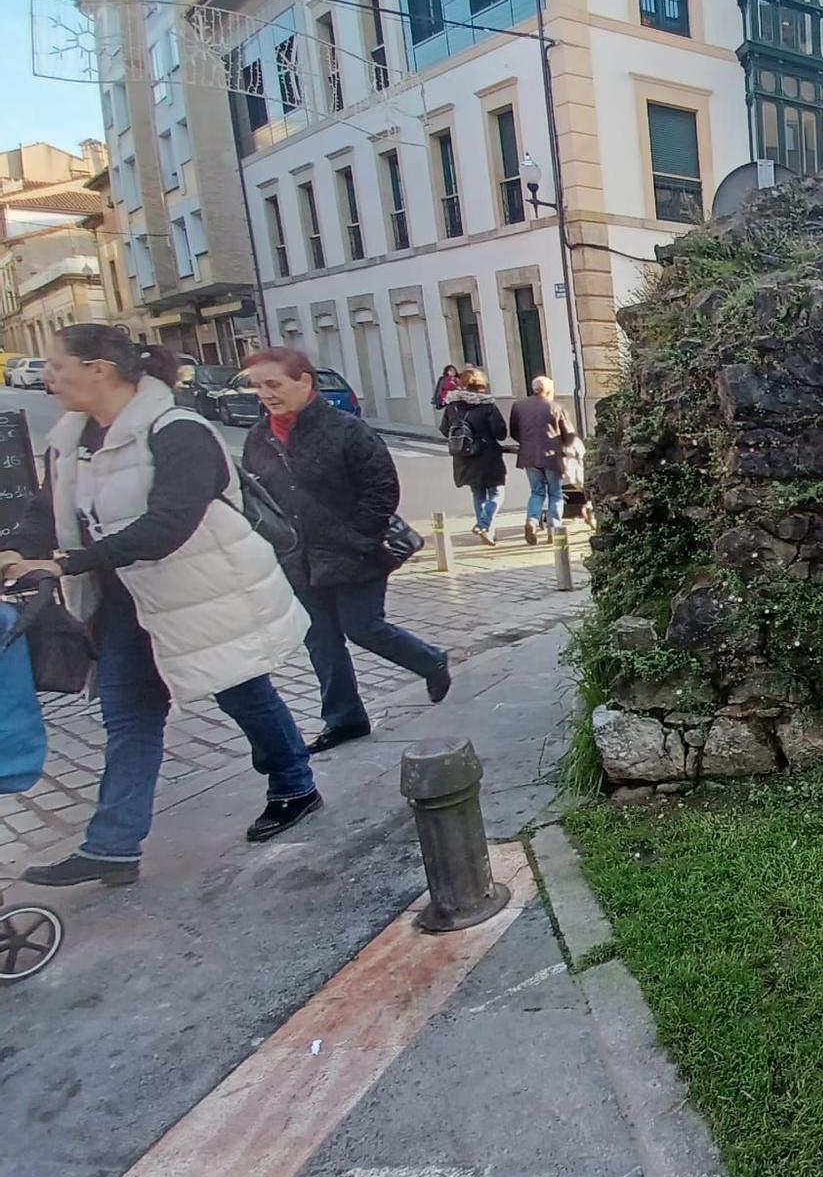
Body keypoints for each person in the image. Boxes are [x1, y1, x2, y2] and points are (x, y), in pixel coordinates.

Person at [1, 324, 320, 887]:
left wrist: (65, 564)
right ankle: (114, 846)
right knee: (128, 716)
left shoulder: (178, 431)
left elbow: (168, 526)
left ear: (98, 369)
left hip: (199, 593)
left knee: (241, 690)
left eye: (57, 365)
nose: (48, 377)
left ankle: (295, 783)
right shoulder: (71, 437)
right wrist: (17, 549)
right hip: (124, 602)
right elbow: (48, 509)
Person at [241, 347, 452, 754]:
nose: (266, 394)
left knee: (362, 626)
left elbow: (381, 488)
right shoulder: (259, 438)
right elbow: (258, 497)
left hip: (354, 553)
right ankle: (344, 717)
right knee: (320, 639)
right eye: (258, 386)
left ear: (304, 383)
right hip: (299, 558)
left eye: (274, 384)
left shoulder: (346, 430)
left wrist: (358, 536)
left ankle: (430, 660)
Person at [440, 366, 508, 546]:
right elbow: (500, 432)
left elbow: (444, 429)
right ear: (482, 385)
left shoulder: (452, 406)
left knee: (478, 493)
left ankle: (487, 531)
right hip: (487, 456)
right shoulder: (487, 406)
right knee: (497, 491)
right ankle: (484, 525)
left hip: (464, 456)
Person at [507, 375, 570, 546]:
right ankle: (554, 529)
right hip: (551, 456)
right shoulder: (556, 407)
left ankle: (532, 520)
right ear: (549, 390)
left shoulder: (518, 406)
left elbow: (513, 431)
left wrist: (527, 443)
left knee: (537, 492)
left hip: (528, 456)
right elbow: (568, 435)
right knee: (555, 493)